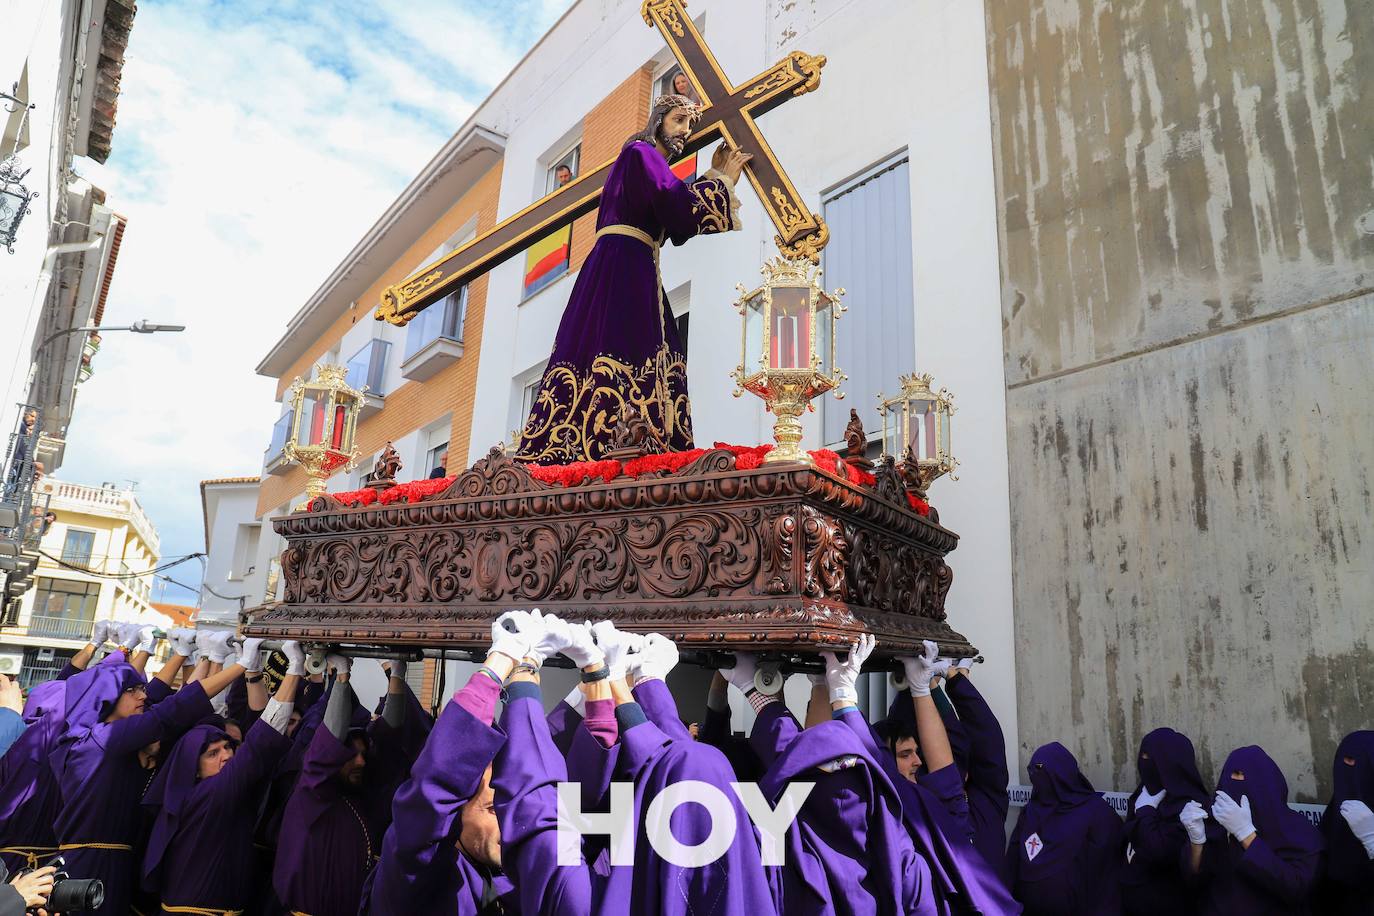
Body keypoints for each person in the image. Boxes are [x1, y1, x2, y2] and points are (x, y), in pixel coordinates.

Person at [514, 94, 750, 463]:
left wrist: (709, 177)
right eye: (678, 120)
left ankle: (631, 436)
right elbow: (676, 209)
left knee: (626, 346)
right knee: (623, 345)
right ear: (658, 120)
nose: (685, 131)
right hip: (625, 266)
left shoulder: (644, 165)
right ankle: (616, 434)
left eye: (689, 125)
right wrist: (721, 181)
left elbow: (670, 212)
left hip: (629, 264)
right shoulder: (641, 152)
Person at [49, 631, 245, 915]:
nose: (143, 695)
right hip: (89, 867)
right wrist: (241, 665)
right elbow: (169, 712)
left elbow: (160, 703)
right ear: (106, 698)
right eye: (133, 691)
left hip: (114, 863)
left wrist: (191, 655)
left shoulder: (106, 736)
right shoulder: (100, 740)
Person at [139, 639, 303, 914]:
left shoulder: (191, 793)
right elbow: (261, 740)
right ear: (194, 768)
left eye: (228, 747)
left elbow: (226, 719)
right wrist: (295, 668)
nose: (226, 756)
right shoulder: (210, 793)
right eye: (212, 753)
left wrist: (250, 670)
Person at [1198, 745, 1324, 914]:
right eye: (1230, 773)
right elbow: (1196, 879)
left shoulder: (1300, 832)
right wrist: (1195, 840)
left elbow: (1296, 887)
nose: (1233, 779)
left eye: (1240, 774)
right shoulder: (1216, 825)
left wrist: (1246, 834)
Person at [1006, 742, 1123, 915]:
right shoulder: (1030, 813)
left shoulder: (1098, 814)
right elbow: (1012, 864)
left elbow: (1106, 876)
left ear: (1062, 776)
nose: (1036, 776)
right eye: (1033, 771)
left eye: (1042, 771)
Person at [1119, 728, 1217, 915]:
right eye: (1143, 755)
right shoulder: (1144, 794)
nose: (1144, 762)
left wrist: (1146, 811)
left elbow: (1160, 853)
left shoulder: (1191, 807)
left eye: (1150, 757)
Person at [1316, 731, 1374, 913]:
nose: (1348, 766)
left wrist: (1372, 840)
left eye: (1355, 761)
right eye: (1345, 759)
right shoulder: (1332, 818)